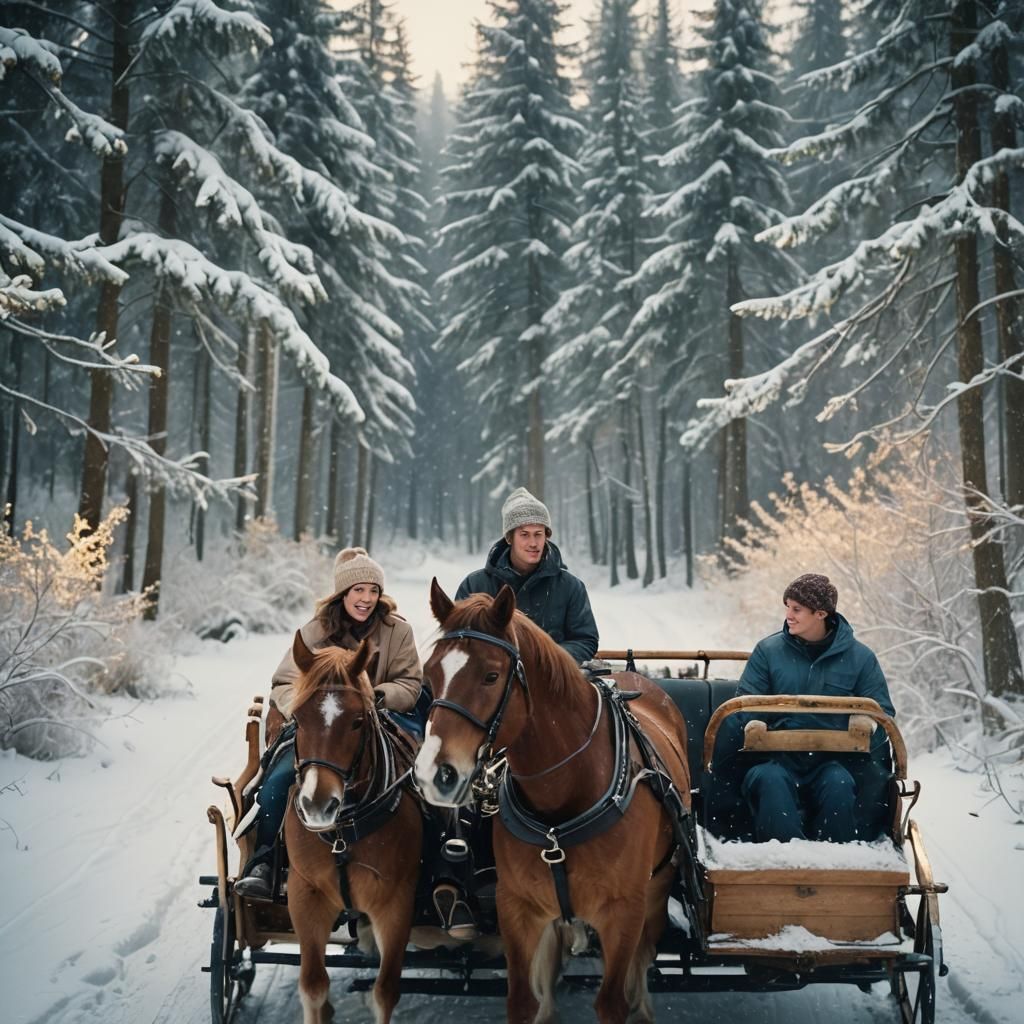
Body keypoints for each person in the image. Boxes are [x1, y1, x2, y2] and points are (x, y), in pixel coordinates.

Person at [234, 547, 424, 899]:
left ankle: (432, 865)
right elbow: (283, 682)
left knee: (418, 783)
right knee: (277, 782)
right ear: (343, 594)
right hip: (317, 726)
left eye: (373, 591)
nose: (366, 599)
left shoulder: (397, 632)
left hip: (377, 721)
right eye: (358, 591)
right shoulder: (316, 632)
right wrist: (308, 708)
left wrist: (376, 697)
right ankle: (263, 861)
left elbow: (411, 683)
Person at [732, 573, 896, 844]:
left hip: (835, 761)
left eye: (796, 609)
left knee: (838, 785)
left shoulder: (860, 658)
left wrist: (867, 723)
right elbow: (747, 701)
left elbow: (881, 711)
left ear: (820, 614)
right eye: (787, 606)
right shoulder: (768, 651)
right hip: (775, 759)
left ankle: (838, 863)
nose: (788, 615)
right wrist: (754, 721)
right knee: (770, 781)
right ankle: (783, 862)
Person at [455, 486, 599, 664]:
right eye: (524, 535)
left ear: (546, 536)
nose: (533, 543)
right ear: (509, 538)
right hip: (490, 686)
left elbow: (585, 640)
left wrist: (544, 658)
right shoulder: (475, 586)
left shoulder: (570, 587)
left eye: (538, 534)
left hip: (551, 684)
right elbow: (457, 638)